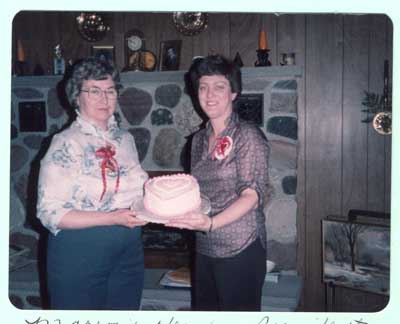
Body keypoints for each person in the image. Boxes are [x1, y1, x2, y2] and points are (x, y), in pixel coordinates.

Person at [36, 57, 149, 310]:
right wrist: (111, 218)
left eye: (110, 91)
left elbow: (140, 190)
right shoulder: (65, 143)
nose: (104, 98)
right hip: (80, 254)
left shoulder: (126, 140)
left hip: (128, 252)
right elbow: (50, 213)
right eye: (94, 91)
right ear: (77, 96)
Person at [166, 54, 271, 311]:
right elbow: (196, 192)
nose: (209, 95)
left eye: (219, 87)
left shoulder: (247, 135)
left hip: (240, 247)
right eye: (203, 87)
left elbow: (252, 196)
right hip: (204, 246)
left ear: (234, 93)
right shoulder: (198, 140)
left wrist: (211, 223)